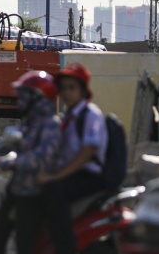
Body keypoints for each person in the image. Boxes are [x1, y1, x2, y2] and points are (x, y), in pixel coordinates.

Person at [37, 62, 108, 254]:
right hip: (72, 171)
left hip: (89, 175)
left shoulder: (91, 115)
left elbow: (87, 154)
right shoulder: (67, 116)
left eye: (72, 88)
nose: (67, 93)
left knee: (52, 190)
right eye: (63, 88)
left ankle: (65, 248)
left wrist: (56, 176)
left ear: (83, 91)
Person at [0, 71, 62, 254]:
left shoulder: (51, 125)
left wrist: (12, 161)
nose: (19, 101)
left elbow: (42, 157)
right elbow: (7, 142)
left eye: (24, 96)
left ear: (37, 98)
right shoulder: (29, 123)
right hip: (17, 188)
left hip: (35, 194)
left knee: (24, 243)